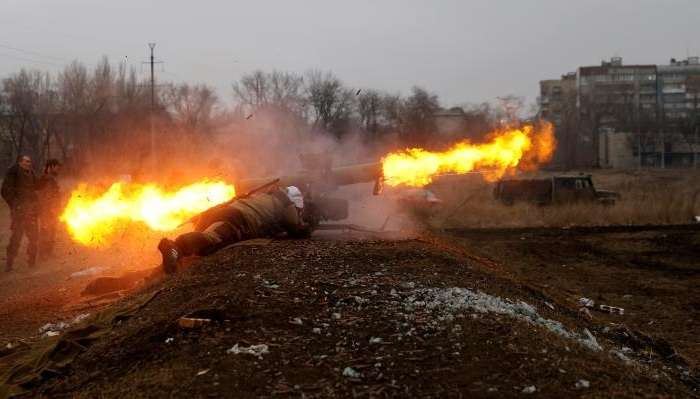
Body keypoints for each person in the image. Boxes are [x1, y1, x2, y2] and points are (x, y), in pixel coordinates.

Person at [157, 186, 312, 274]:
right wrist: (305, 227)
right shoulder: (286, 202)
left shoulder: (263, 197)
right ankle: (175, 246)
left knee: (207, 246)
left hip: (225, 213)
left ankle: (175, 258)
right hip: (236, 218)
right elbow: (295, 227)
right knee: (212, 238)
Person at [1, 155, 39, 271]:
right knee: (16, 237)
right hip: (19, 212)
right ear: (20, 162)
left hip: (31, 211)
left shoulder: (31, 173)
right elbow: (5, 190)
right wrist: (15, 205)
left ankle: (32, 262)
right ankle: (9, 263)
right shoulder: (13, 172)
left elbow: (37, 186)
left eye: (30, 161)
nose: (29, 163)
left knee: (34, 237)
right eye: (26, 161)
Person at [37, 159, 62, 258]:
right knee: (46, 231)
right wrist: (50, 209)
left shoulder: (51, 178)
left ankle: (48, 252)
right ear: (50, 167)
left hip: (52, 210)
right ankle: (43, 254)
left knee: (51, 231)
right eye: (57, 168)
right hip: (46, 211)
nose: (58, 170)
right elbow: (45, 196)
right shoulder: (46, 179)